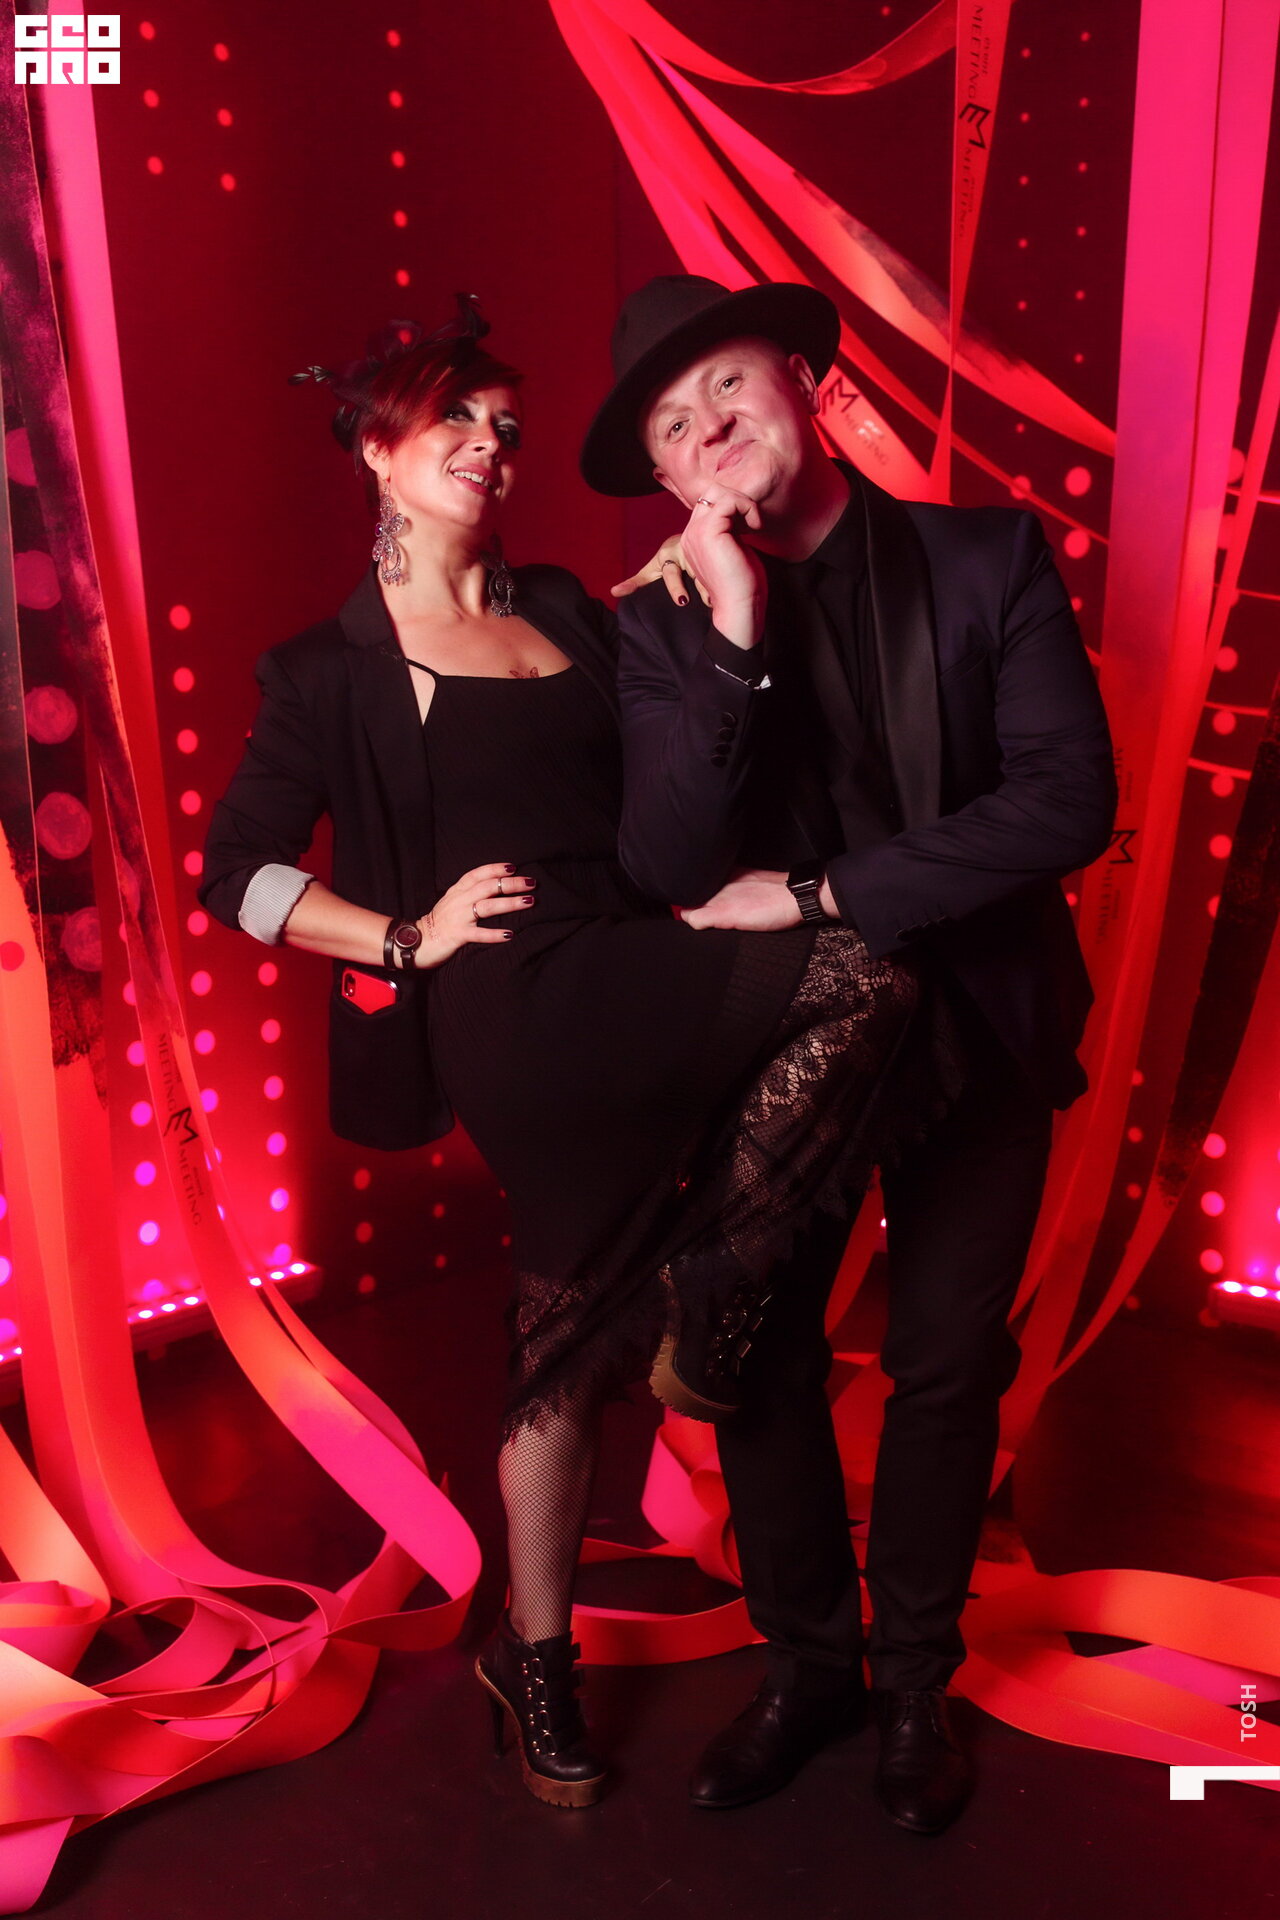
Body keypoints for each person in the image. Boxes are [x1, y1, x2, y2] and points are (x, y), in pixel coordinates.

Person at [198, 298, 961, 1812]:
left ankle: (704, 1295)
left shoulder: (565, 603)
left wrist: (701, 616)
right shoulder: (327, 670)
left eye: (506, 427)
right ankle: (543, 1653)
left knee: (862, 980)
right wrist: (402, 936)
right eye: (456, 421)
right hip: (510, 1005)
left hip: (634, 948)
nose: (491, 447)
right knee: (560, 1331)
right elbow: (238, 875)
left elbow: (674, 778)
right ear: (375, 448)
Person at [580, 275, 1118, 1831]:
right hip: (785, 1050)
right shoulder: (659, 626)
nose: (707, 429)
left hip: (978, 1025)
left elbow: (1064, 803)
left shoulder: (986, 555)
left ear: (806, 384)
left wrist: (823, 891)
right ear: (664, 477)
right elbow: (671, 861)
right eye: (672, 426)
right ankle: (808, 1666)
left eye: (727, 387)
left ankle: (912, 1688)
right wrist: (732, 635)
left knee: (947, 1363)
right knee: (763, 1362)